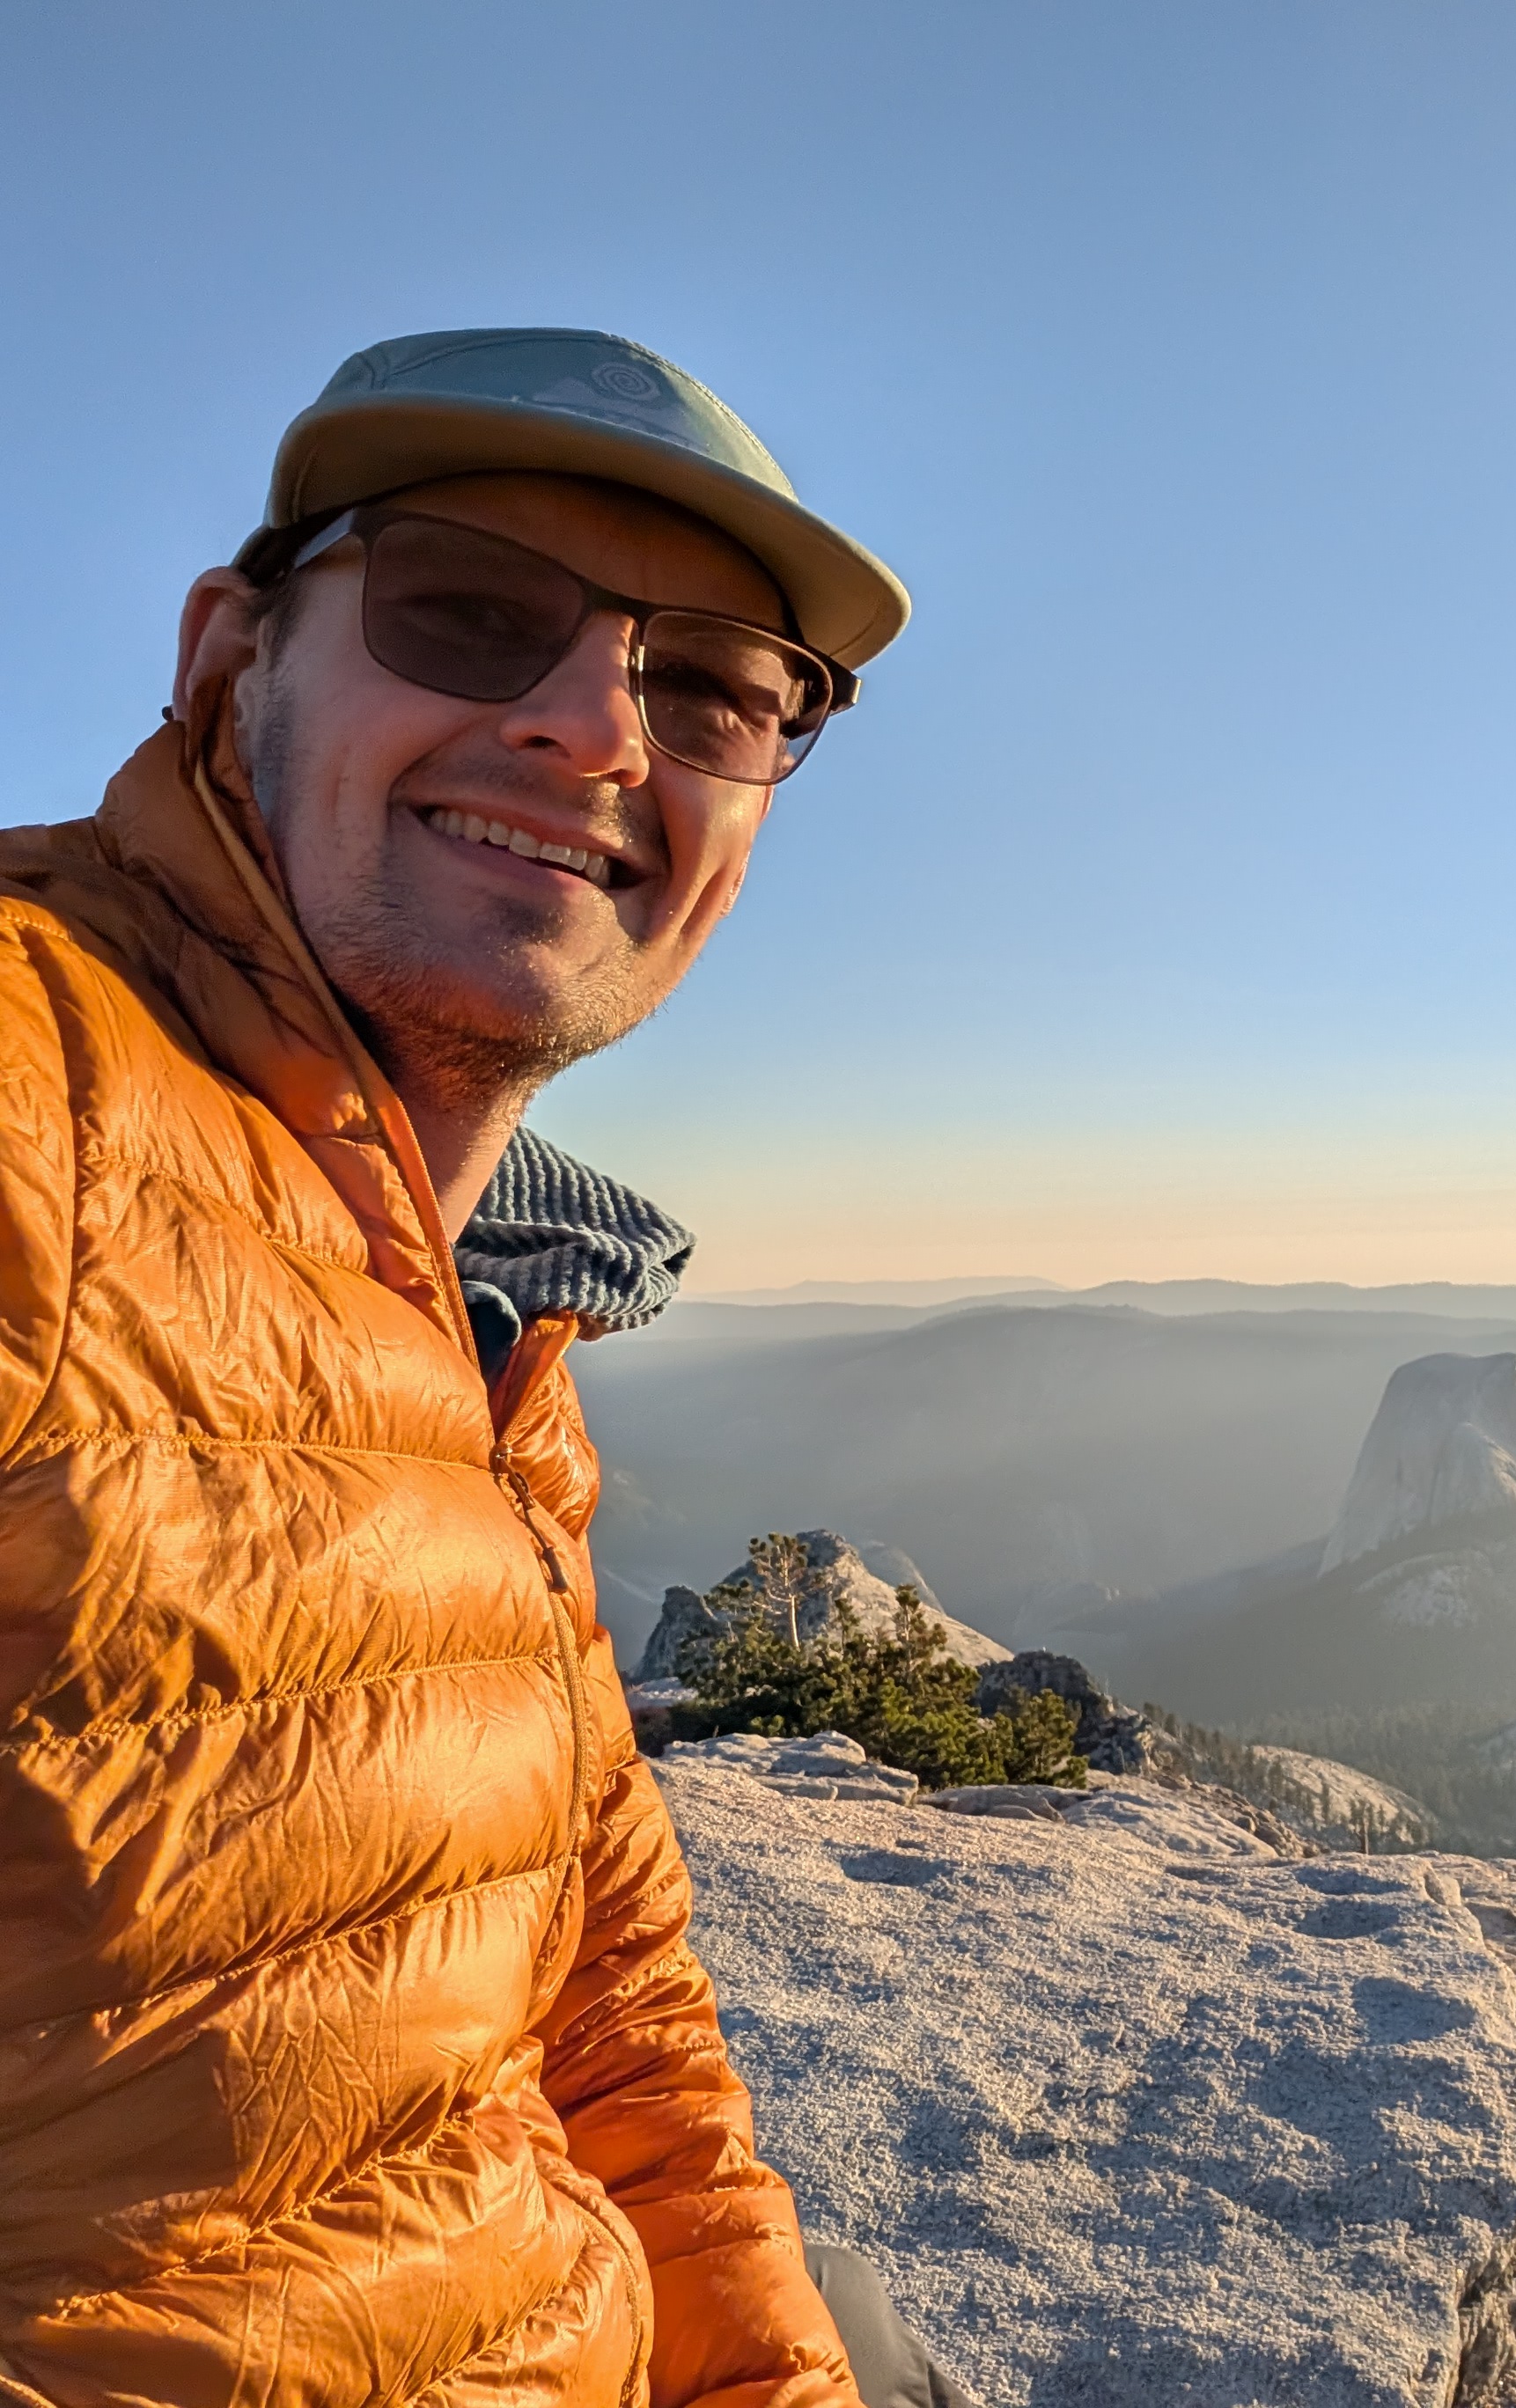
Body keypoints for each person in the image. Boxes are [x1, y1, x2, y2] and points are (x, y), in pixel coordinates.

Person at [0, 330, 965, 2405]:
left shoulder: (506, 1337)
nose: (598, 732)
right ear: (229, 663)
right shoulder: (41, 1102)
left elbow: (614, 2007)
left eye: (712, 685)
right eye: (468, 610)